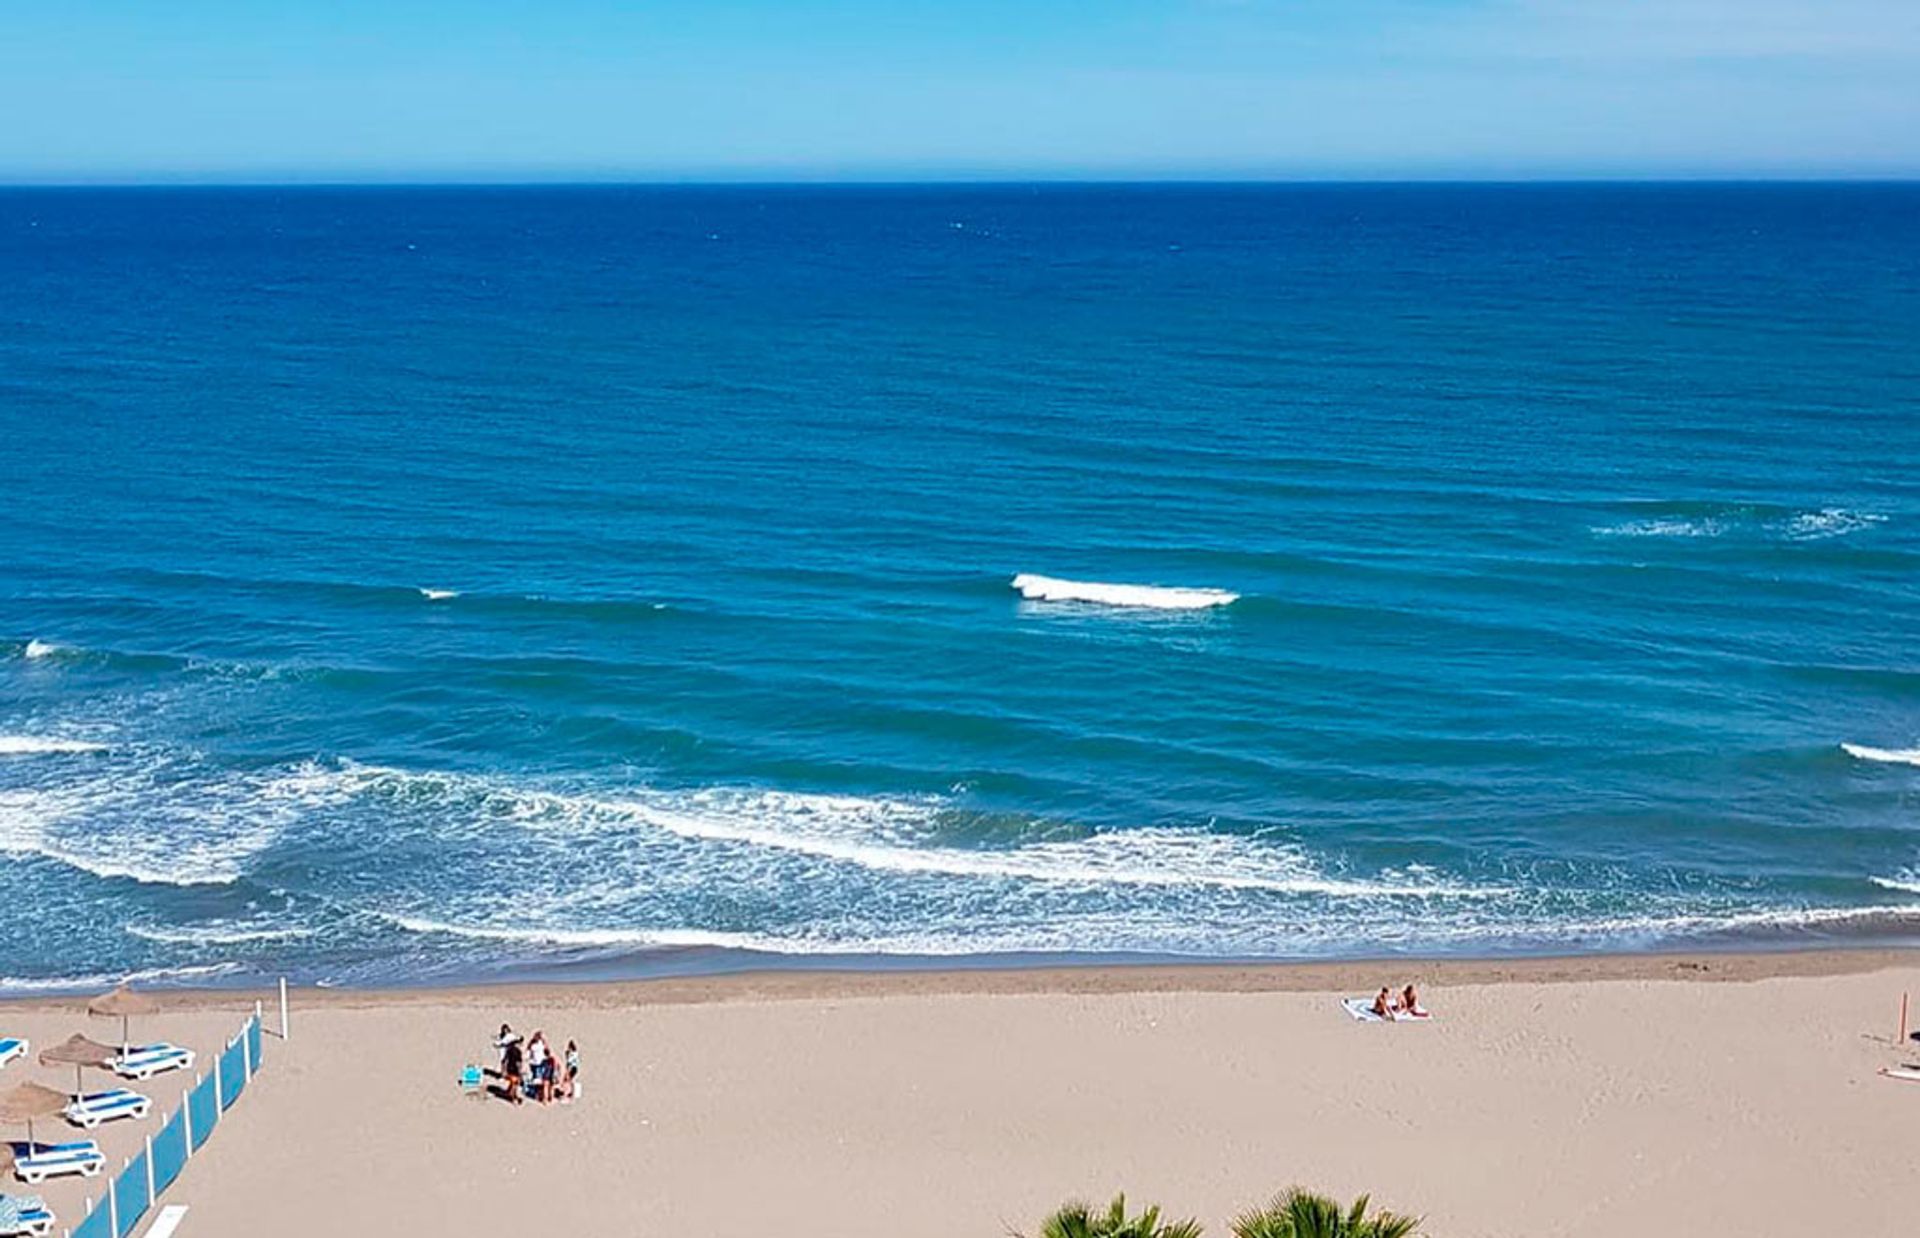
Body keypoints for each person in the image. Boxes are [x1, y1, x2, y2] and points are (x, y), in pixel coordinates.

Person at [527, 1031, 553, 1104]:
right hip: (535, 1063)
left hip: (540, 1062)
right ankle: (539, 1095)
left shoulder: (541, 1043)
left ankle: (540, 1095)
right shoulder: (533, 1044)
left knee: (540, 1080)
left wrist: (544, 1041)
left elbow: (547, 1050)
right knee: (537, 1079)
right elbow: (529, 1051)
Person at [500, 1036, 525, 1105]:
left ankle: (509, 1092)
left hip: (509, 1068)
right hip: (515, 1069)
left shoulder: (509, 1050)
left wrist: (503, 1070)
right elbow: (519, 1063)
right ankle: (513, 1097)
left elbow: (504, 1060)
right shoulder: (518, 1052)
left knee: (513, 1082)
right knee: (515, 1083)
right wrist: (521, 1073)